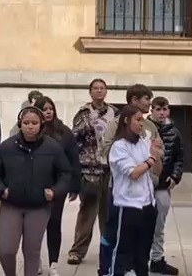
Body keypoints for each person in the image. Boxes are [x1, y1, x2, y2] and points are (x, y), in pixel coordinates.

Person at [0, 106, 72, 276]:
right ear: (20, 124)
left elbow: (65, 173)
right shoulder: (7, 146)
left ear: (41, 124)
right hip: (11, 204)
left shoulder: (52, 147)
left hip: (39, 206)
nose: (30, 127)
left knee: (32, 250)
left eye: (34, 123)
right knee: (6, 250)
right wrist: (1, 191)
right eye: (26, 123)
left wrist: (54, 192)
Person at [102, 104, 163, 276]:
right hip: (127, 205)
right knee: (121, 251)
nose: (141, 124)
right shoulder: (119, 146)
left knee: (143, 253)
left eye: (142, 120)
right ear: (126, 121)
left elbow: (157, 171)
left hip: (147, 205)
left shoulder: (145, 143)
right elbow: (133, 173)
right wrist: (151, 159)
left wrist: (156, 154)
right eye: (137, 120)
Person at [67, 78, 118, 266]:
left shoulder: (115, 113)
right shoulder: (83, 113)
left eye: (102, 88)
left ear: (106, 91)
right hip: (89, 168)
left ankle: (108, 249)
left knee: (108, 212)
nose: (99, 91)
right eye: (95, 88)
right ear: (90, 92)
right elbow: (75, 141)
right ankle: (77, 251)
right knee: (87, 211)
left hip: (111, 168)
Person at [32, 96, 81, 276]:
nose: (48, 112)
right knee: (35, 225)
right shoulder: (32, 131)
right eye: (44, 109)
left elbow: (74, 159)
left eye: (50, 108)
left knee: (54, 223)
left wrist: (75, 186)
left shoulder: (64, 131)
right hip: (36, 184)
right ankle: (35, 260)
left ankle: (53, 263)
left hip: (57, 186)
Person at [146, 96, 184, 275]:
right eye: (158, 109)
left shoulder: (175, 133)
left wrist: (175, 177)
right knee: (140, 224)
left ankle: (157, 259)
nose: (162, 113)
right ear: (151, 110)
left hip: (163, 186)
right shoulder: (143, 129)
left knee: (159, 226)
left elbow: (179, 158)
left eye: (165, 109)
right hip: (143, 184)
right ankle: (138, 259)